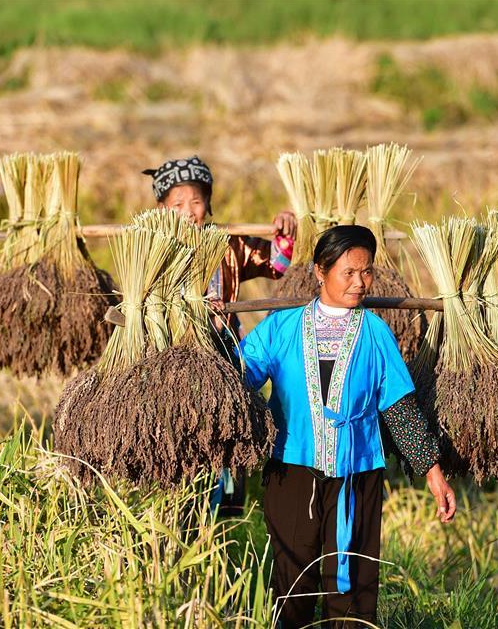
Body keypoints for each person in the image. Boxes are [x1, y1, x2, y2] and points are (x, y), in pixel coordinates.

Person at [237, 225, 456, 627]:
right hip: (292, 471)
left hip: (357, 477)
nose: (360, 283)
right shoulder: (280, 327)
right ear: (321, 271)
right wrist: (206, 330)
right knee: (292, 581)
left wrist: (433, 473)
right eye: (348, 272)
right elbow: (236, 378)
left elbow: (400, 408)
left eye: (366, 271)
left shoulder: (375, 333)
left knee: (353, 586)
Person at [143, 155, 297, 515]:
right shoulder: (150, 251)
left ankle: (223, 510)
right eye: (177, 203)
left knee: (224, 426)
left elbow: (276, 266)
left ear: (208, 203)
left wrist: (285, 233)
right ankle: (179, 503)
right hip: (172, 356)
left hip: (224, 353)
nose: (188, 211)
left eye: (196, 201)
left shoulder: (226, 245)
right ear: (161, 207)